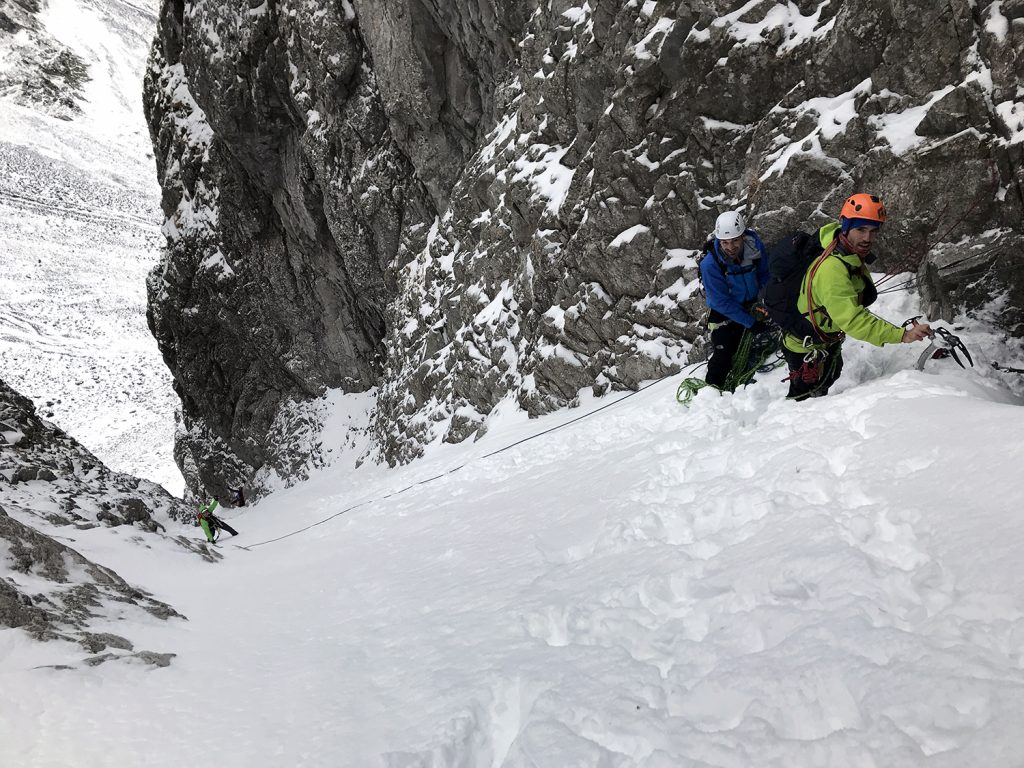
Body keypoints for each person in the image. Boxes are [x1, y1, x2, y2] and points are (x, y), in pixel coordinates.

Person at [768, 193, 932, 400]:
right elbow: (852, 319)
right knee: (804, 396)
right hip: (805, 345)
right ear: (845, 226)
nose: (867, 238)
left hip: (824, 337)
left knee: (830, 375)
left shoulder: (843, 251)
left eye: (873, 231)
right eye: (861, 229)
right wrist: (901, 335)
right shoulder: (832, 268)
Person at [699, 210, 772, 389]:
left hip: (752, 303)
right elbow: (720, 302)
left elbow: (765, 275)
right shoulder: (710, 264)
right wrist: (750, 323)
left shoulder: (754, 247)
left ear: (742, 236)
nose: (730, 247)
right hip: (724, 312)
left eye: (735, 241)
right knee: (725, 352)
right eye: (725, 242)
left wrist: (766, 303)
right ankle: (712, 390)